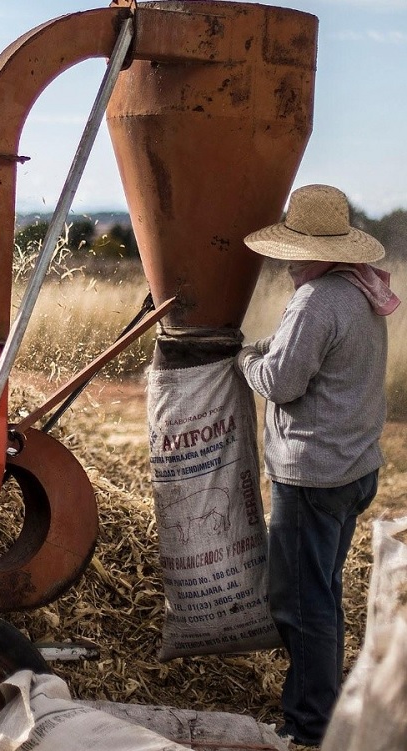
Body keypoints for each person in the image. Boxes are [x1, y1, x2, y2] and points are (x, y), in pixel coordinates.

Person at [235, 184, 401, 747]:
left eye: (294, 251)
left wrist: (242, 361)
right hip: (352, 467)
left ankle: (309, 727)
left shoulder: (317, 300)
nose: (287, 264)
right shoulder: (359, 292)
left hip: (312, 474)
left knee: (301, 603)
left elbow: (281, 382)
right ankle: (326, 711)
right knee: (323, 593)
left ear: (314, 249)